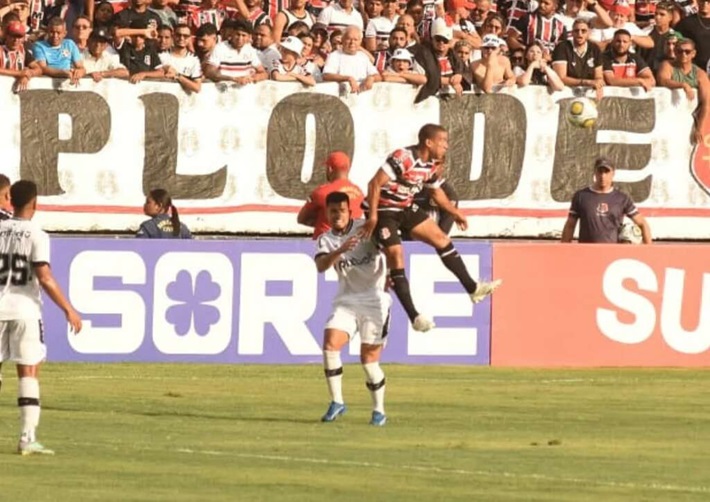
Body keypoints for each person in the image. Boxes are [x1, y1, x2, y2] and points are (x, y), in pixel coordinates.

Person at [360, 124, 502, 332]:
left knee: (441, 239)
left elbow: (436, 192)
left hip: (405, 207)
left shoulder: (432, 165)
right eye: (443, 141)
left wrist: (455, 212)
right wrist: (372, 216)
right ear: (428, 142)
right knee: (396, 256)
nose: (446, 145)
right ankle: (414, 317)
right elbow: (374, 184)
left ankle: (473, 288)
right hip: (383, 210)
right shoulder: (404, 157)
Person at [0, 180, 83, 455]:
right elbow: (44, 277)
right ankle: (27, 437)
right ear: (35, 203)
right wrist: (68, 309)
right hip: (24, 310)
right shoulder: (37, 234)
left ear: (10, 199)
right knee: (29, 371)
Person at [316, 191, 391, 427]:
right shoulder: (325, 239)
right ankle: (337, 401)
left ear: (350, 211)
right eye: (333, 211)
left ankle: (379, 410)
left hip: (374, 300)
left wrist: (392, 274)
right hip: (346, 300)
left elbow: (391, 247)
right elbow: (320, 265)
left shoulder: (366, 228)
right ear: (327, 213)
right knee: (330, 343)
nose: (337, 215)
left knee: (368, 361)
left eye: (342, 210)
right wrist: (339, 251)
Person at [561, 157, 652, 244]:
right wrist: (563, 251)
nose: (603, 176)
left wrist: (649, 251)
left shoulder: (622, 198)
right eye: (600, 171)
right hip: (586, 252)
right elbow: (570, 226)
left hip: (612, 253)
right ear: (595, 173)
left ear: (613, 174)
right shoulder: (581, 196)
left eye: (606, 172)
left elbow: (642, 223)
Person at [297, 151, 364, 238]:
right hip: (351, 244)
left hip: (327, 245)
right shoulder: (359, 193)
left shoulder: (321, 192)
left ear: (330, 169)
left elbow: (301, 218)